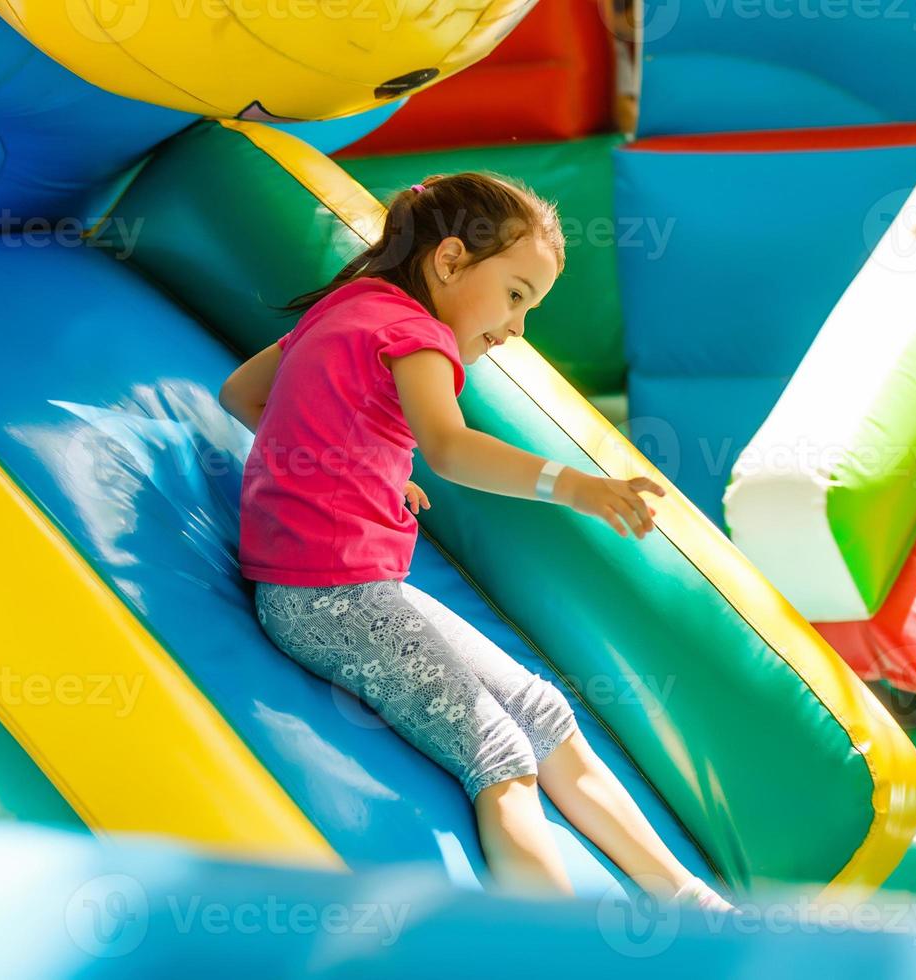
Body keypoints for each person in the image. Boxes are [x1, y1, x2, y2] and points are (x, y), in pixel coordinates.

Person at [219, 171, 732, 911]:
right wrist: (580, 487)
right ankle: (556, 950)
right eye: (516, 295)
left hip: (341, 590)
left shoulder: (346, 308)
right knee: (501, 757)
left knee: (544, 711)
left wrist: (344, 462)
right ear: (451, 261)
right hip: (332, 600)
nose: (518, 325)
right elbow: (452, 449)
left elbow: (245, 393)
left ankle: (686, 898)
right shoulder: (417, 333)